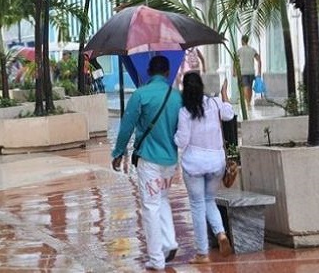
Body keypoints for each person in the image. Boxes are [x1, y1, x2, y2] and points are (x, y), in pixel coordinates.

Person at [111, 55, 182, 271]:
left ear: (149, 73)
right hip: (170, 160)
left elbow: (127, 126)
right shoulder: (177, 96)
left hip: (149, 160)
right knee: (162, 200)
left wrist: (118, 152)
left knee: (150, 206)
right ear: (168, 73)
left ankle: (156, 259)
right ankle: (170, 242)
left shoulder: (140, 95)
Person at [174, 72, 234, 264]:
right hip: (217, 163)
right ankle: (221, 233)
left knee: (198, 206)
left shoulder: (184, 112)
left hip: (194, 165)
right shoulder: (215, 103)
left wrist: (172, 137)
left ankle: (202, 253)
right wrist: (224, 94)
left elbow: (182, 142)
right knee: (209, 200)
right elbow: (229, 114)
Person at [237, 35, 261, 106]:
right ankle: (249, 102)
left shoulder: (239, 50)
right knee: (249, 87)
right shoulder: (252, 50)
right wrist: (259, 71)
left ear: (242, 41)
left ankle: (247, 102)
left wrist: (234, 71)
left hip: (243, 72)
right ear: (247, 41)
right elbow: (259, 60)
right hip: (251, 71)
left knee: (245, 86)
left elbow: (235, 61)